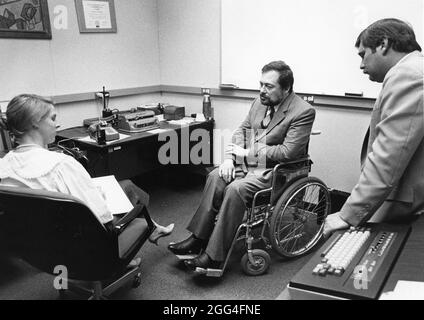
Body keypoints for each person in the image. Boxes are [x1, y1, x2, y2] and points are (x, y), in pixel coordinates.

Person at [168, 61, 316, 270]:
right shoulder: (259, 102)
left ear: (286, 88)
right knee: (215, 176)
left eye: (269, 86)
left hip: (278, 172)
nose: (262, 91)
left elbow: (287, 152)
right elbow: (242, 131)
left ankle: (214, 256)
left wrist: (247, 152)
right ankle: (198, 239)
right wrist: (229, 159)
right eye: (261, 84)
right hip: (250, 164)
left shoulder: (303, 111)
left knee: (235, 189)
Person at [0, 94, 174, 246]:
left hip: (38, 244)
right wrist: (99, 194)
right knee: (125, 187)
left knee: (121, 186)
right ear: (34, 122)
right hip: (84, 240)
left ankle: (153, 228)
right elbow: (102, 217)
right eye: (52, 118)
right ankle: (148, 230)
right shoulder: (61, 164)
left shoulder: (4, 166)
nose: (57, 124)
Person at [324, 18, 424, 236]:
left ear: (383, 44)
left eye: (363, 54)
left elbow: (389, 156)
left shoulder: (408, 75)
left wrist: (346, 215)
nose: (361, 65)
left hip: (402, 202)